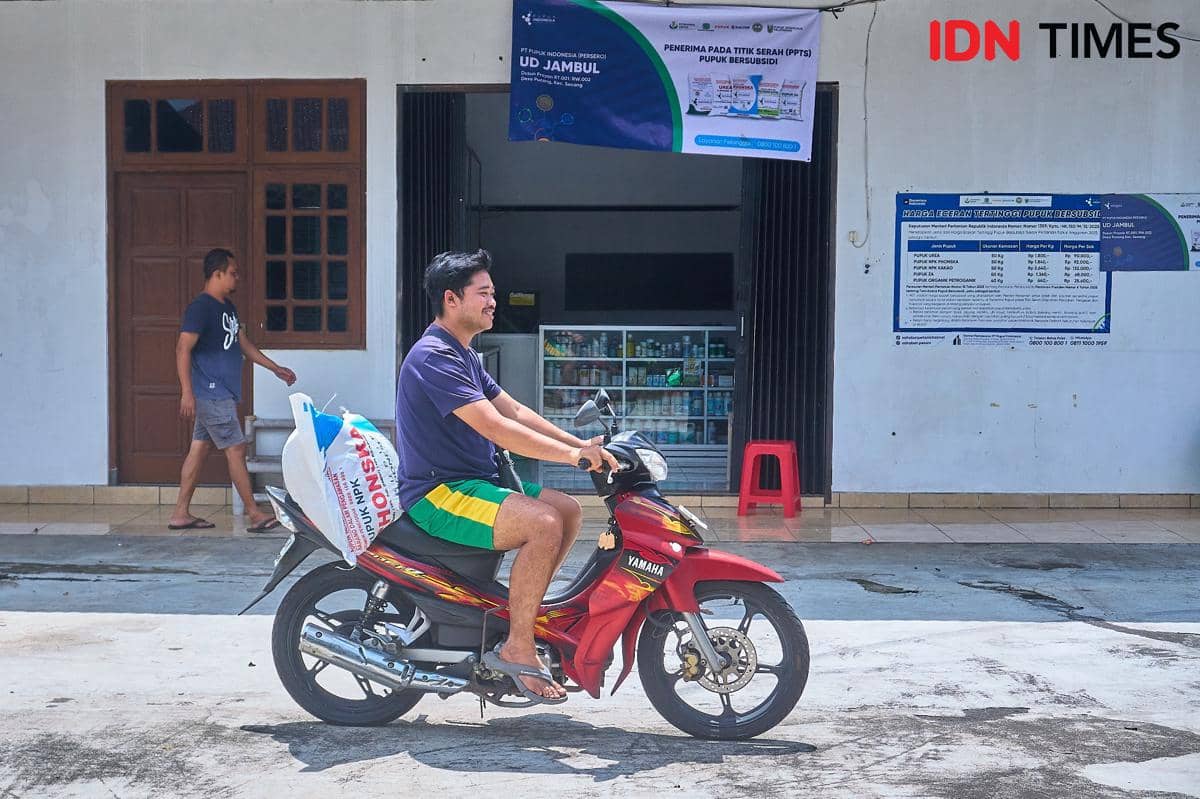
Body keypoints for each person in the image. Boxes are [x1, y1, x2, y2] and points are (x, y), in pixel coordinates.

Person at [394, 249, 618, 703]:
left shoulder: (465, 355)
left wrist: (581, 447)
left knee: (567, 510)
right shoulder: (435, 356)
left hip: (476, 483)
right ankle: (517, 646)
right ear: (452, 299)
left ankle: (524, 621)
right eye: (485, 293)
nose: (493, 301)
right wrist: (571, 457)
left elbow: (514, 410)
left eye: (492, 293)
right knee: (543, 522)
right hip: (440, 493)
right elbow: (497, 428)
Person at [169, 248, 297, 532]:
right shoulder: (200, 308)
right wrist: (186, 392)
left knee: (199, 450)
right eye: (233, 273)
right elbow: (182, 349)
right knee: (236, 448)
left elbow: (244, 344)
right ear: (217, 274)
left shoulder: (228, 308)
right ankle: (254, 514)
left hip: (220, 393)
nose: (237, 277)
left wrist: (275, 368)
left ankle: (180, 513)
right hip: (211, 392)